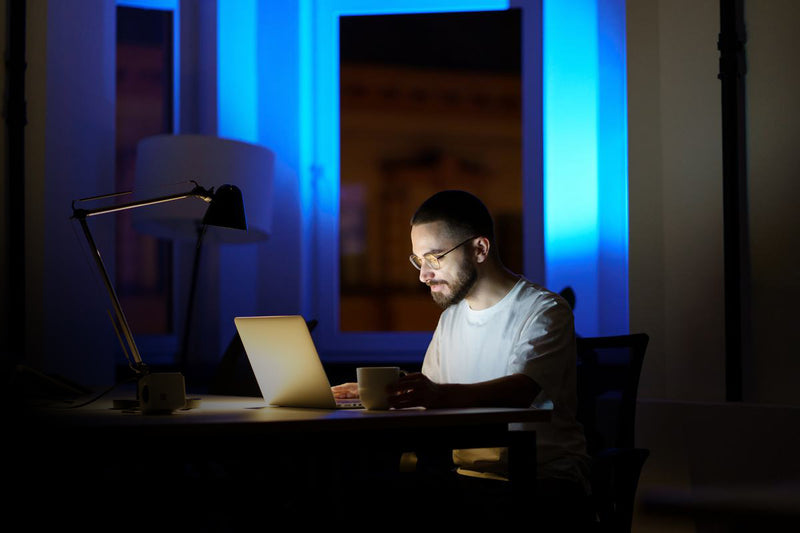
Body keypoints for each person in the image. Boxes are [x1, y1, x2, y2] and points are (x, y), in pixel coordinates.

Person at [332, 190, 592, 528]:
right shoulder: (450, 318)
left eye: (435, 258)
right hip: (467, 478)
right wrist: (382, 395)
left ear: (480, 249)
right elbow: (429, 398)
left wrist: (436, 395)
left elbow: (523, 389)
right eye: (418, 260)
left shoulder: (545, 310)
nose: (423, 275)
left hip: (542, 480)